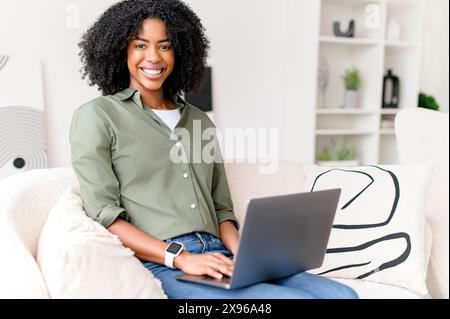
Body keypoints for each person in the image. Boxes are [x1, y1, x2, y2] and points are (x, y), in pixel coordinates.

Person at [71, 0, 358, 299]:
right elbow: (105, 216)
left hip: (221, 255)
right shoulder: (98, 116)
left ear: (180, 51)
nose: (153, 57)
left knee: (343, 296)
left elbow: (221, 209)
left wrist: (246, 254)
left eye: (165, 46)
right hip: (166, 263)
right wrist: (180, 257)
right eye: (140, 45)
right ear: (120, 50)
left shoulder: (199, 121)